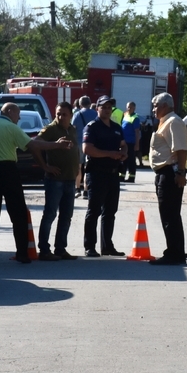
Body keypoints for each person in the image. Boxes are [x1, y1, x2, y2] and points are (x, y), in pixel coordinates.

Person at [0, 103, 73, 264]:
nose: (19, 117)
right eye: (18, 113)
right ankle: (22, 253)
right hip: (8, 170)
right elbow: (33, 145)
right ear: (9, 112)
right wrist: (57, 145)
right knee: (18, 214)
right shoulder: (11, 127)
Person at [31, 101, 80, 261]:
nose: (60, 117)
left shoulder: (72, 129)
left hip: (70, 179)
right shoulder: (51, 129)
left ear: (71, 115)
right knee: (50, 214)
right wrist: (45, 166)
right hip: (55, 180)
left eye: (64, 114)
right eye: (58, 113)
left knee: (66, 216)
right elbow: (34, 145)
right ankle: (44, 250)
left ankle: (60, 248)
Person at [147, 93, 187, 266]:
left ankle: (174, 253)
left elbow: (181, 150)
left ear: (165, 105)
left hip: (170, 173)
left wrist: (181, 173)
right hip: (164, 173)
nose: (153, 109)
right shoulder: (165, 121)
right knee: (169, 214)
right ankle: (175, 251)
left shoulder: (173, 122)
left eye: (155, 105)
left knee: (170, 215)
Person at [83, 95, 128, 258]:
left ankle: (107, 246)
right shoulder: (92, 127)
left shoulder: (116, 127)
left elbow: (123, 145)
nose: (107, 110)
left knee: (110, 212)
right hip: (97, 173)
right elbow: (87, 149)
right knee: (94, 211)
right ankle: (89, 246)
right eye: (104, 107)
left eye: (109, 107)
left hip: (113, 175)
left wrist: (123, 154)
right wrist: (110, 154)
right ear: (97, 109)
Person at [72, 96, 97, 198]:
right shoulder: (95, 114)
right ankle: (86, 191)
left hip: (78, 143)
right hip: (91, 144)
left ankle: (77, 189)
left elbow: (73, 129)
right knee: (88, 167)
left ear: (80, 104)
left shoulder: (77, 114)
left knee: (78, 166)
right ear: (90, 103)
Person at [120, 101, 141, 183]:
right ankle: (122, 176)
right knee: (123, 160)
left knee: (131, 161)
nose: (129, 109)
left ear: (134, 108)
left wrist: (137, 144)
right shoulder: (125, 115)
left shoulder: (135, 118)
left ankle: (131, 177)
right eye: (128, 107)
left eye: (131, 107)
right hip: (124, 142)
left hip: (131, 143)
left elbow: (137, 132)